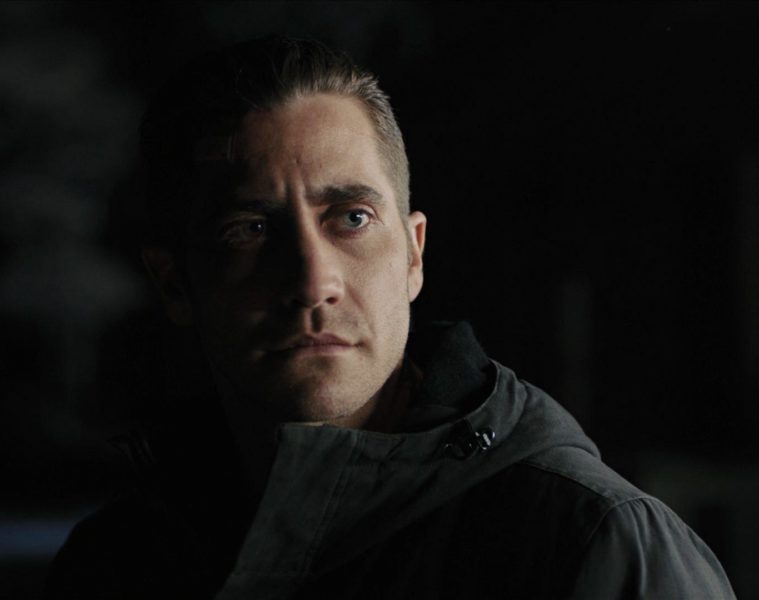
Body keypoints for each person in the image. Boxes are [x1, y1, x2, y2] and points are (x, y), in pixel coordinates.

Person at [44, 36, 736, 600]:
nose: (313, 282)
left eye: (351, 218)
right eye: (249, 230)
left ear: (412, 253)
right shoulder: (117, 563)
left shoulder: (590, 546)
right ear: (174, 283)